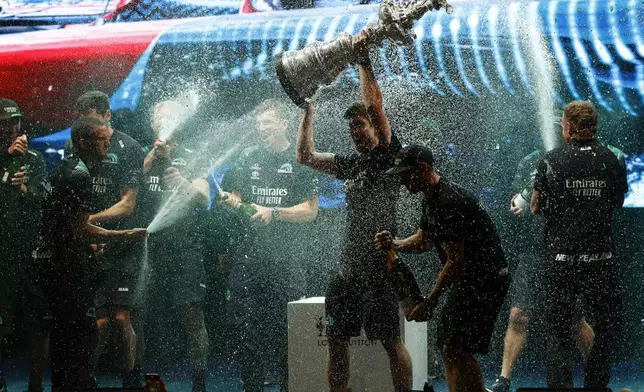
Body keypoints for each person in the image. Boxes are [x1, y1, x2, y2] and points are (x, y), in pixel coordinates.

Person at [296, 30, 412, 392]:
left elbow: (376, 105)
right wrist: (308, 111)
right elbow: (305, 157)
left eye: (360, 125)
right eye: (351, 129)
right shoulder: (351, 165)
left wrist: (362, 59)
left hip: (380, 267)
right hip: (347, 268)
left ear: (374, 128)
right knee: (336, 339)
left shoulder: (389, 157)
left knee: (391, 341)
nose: (355, 133)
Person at [376, 144, 510, 392]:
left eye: (406, 173)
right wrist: (395, 243)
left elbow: (455, 261)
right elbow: (424, 241)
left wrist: (430, 300)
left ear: (423, 168)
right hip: (470, 278)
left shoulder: (448, 201)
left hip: (486, 279)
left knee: (455, 346)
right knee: (447, 343)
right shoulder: (431, 198)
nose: (403, 181)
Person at [34, 116, 147, 391]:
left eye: (107, 135)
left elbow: (66, 224)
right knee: (79, 333)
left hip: (54, 261)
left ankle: (67, 385)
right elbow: (80, 230)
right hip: (63, 268)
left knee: (66, 332)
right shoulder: (80, 175)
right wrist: (123, 235)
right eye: (100, 138)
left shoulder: (71, 167)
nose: (108, 140)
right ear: (84, 143)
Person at [218, 98, 319, 392]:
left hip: (287, 261)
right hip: (249, 260)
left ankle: (290, 387)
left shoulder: (301, 158)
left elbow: (311, 211)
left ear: (284, 124)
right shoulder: (248, 157)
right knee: (249, 332)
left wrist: (273, 213)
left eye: (268, 122)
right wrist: (232, 203)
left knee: (287, 331)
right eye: (259, 123)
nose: (262, 128)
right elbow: (237, 199)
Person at [530, 100, 627, 388]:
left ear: (569, 126)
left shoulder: (551, 159)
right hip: (600, 259)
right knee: (607, 326)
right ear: (593, 126)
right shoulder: (611, 159)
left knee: (558, 330)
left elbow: (535, 207)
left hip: (561, 260)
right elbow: (618, 201)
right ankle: (596, 386)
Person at [487, 145, 595, 392]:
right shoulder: (530, 161)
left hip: (567, 250)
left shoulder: (580, 160)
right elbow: (516, 203)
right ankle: (504, 379)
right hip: (535, 251)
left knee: (574, 319)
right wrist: (524, 196)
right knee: (518, 315)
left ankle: (597, 372)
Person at [65, 90, 146, 386]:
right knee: (93, 321)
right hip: (84, 243)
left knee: (122, 318)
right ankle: (86, 380)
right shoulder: (75, 146)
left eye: (94, 120)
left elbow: (128, 204)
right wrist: (83, 230)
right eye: (82, 121)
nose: (88, 129)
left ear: (107, 115)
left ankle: (131, 380)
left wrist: (90, 222)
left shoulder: (129, 147)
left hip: (122, 243)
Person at [139, 100, 210, 392]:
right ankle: (147, 381)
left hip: (184, 250)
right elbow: (130, 187)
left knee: (191, 315)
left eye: (170, 117)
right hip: (146, 251)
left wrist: (181, 181)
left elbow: (204, 199)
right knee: (142, 315)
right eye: (159, 117)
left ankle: (199, 383)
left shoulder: (194, 156)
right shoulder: (140, 156)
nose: (164, 121)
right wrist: (154, 157)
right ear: (154, 124)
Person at [0, 98, 48, 392]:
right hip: (0, 252)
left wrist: (25, 189)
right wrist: (6, 166)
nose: (11, 127)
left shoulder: (34, 159)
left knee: (36, 321)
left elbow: (44, 200)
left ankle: (35, 385)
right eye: (5, 123)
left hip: (28, 252)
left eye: (15, 121)